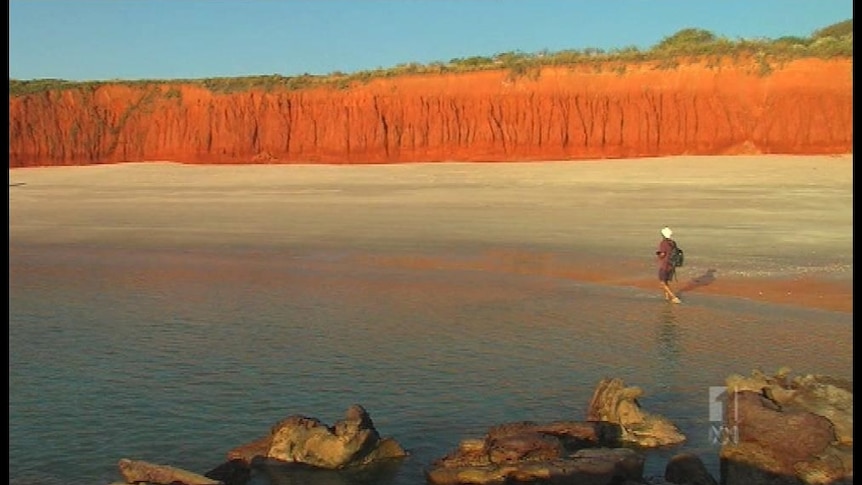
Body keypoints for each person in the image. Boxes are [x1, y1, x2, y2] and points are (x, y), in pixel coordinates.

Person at [656, 226, 681, 303]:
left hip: (664, 265)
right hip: (671, 265)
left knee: (662, 283)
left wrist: (659, 255)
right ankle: (667, 297)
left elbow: (663, 254)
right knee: (666, 281)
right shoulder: (673, 243)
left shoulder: (663, 243)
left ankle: (673, 297)